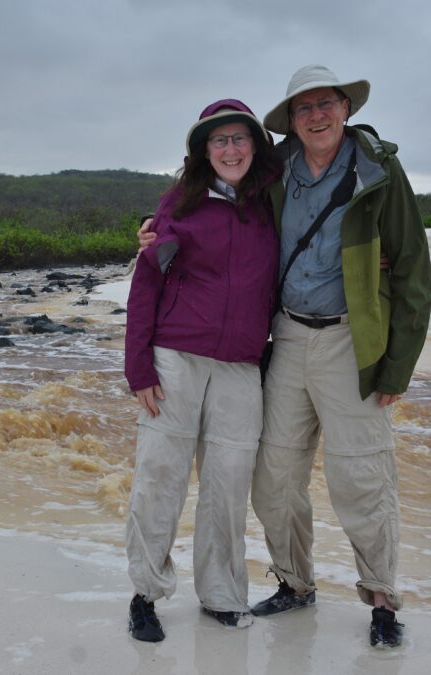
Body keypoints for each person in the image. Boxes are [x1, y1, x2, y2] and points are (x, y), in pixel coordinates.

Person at [138, 65, 431, 647]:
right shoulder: (277, 173)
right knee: (273, 480)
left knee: (362, 476)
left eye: (326, 104)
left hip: (354, 339)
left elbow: (413, 269)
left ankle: (381, 600)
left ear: (345, 108)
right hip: (287, 338)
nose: (316, 116)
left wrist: (397, 365)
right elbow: (193, 209)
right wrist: (151, 230)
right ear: (290, 123)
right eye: (304, 109)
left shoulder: (379, 172)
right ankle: (296, 583)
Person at [123, 99, 280, 642]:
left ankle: (221, 595)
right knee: (160, 477)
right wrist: (138, 367)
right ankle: (145, 594)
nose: (231, 149)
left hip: (241, 365)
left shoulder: (270, 205)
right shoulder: (178, 204)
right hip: (177, 358)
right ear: (202, 150)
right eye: (220, 141)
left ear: (255, 146)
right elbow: (147, 284)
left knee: (228, 484)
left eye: (241, 139)